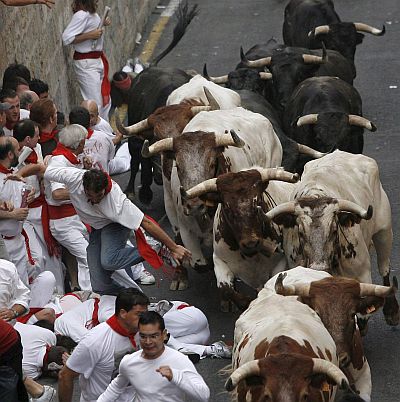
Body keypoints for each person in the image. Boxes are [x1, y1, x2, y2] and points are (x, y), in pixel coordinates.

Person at [42, 165, 191, 295]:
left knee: (109, 261)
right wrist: (20, 174)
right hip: (97, 228)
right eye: (92, 196)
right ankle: (129, 300)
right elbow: (41, 168)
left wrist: (173, 247)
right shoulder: (74, 178)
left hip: (114, 226)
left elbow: (146, 222)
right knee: (99, 285)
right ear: (85, 189)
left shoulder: (117, 201)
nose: (96, 200)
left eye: (100, 195)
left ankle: (154, 248)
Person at [58, 288, 149, 402]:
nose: (145, 319)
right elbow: (65, 375)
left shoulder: (144, 331)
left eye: (146, 314)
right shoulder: (94, 341)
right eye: (139, 314)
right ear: (123, 313)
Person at [98, 311, 210, 402]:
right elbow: (116, 388)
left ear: (164, 335)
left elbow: (204, 396)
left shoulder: (179, 360)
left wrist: (176, 376)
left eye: (153, 336)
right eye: (143, 336)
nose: (148, 342)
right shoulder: (128, 362)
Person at [13, 120, 64, 292]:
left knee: (53, 255)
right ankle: (41, 293)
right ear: (27, 139)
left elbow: (42, 170)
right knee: (36, 257)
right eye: (36, 136)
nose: (40, 138)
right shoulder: (12, 157)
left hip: (41, 209)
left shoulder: (38, 149)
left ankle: (59, 292)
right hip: (23, 215)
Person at [62, 0, 112, 120]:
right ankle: (97, 133)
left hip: (96, 60)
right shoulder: (81, 15)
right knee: (95, 104)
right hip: (87, 63)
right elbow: (66, 38)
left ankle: (105, 131)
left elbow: (89, 28)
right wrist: (90, 35)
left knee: (105, 101)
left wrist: (101, 23)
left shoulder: (91, 13)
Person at [69, 106, 115, 172]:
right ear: (89, 121)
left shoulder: (65, 144)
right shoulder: (104, 137)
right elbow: (110, 157)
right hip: (104, 180)